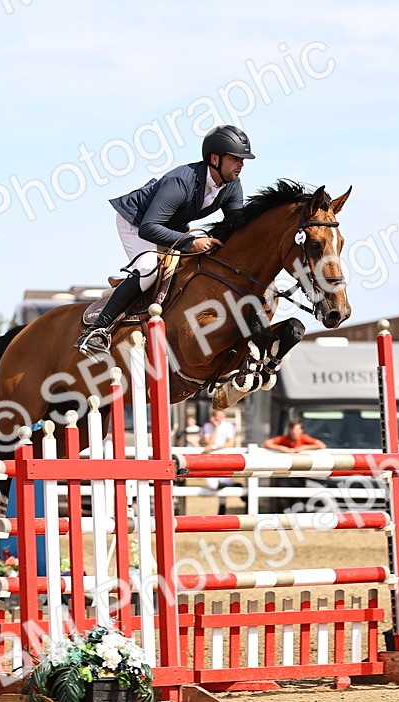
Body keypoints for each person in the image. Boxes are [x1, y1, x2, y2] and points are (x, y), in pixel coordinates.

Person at [75, 124, 256, 357]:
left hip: (170, 226)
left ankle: (137, 291)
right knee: (150, 268)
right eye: (235, 158)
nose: (241, 164)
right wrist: (190, 242)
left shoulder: (232, 186)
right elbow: (149, 228)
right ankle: (97, 330)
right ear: (214, 158)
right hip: (137, 222)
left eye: (243, 159)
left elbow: (236, 228)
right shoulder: (181, 181)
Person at [201, 408, 239, 514]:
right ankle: (235, 487)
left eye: (220, 415)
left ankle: (222, 510)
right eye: (216, 415)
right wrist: (216, 428)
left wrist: (214, 447)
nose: (218, 417)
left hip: (224, 457)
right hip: (211, 458)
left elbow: (230, 443)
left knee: (223, 482)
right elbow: (208, 442)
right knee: (211, 483)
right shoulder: (207, 426)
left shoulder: (229, 426)